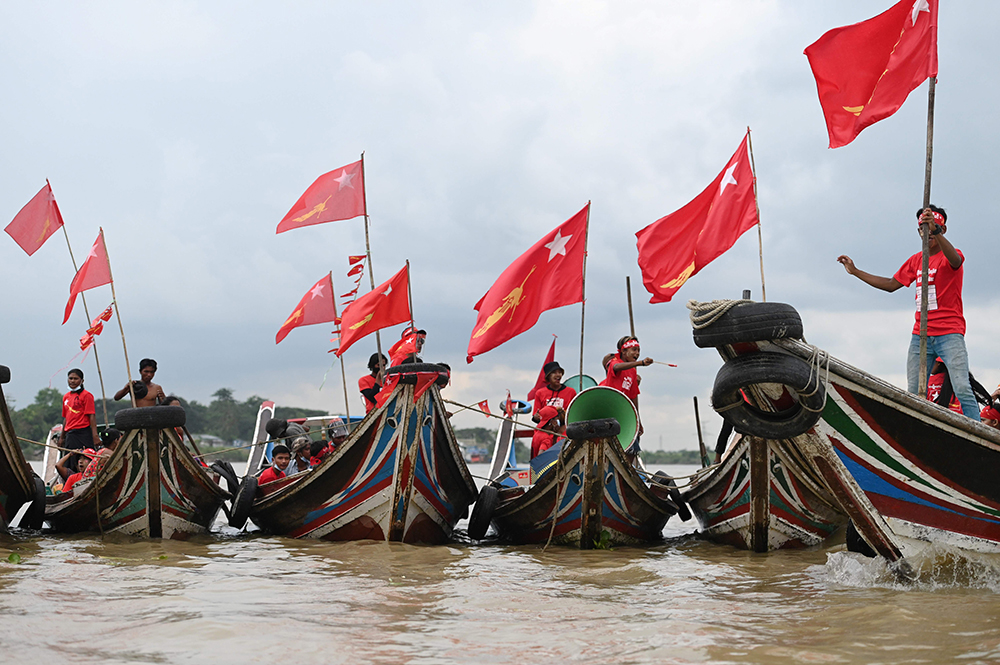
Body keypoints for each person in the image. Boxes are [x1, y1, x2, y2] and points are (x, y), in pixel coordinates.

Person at [838, 206, 980, 421]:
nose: (928, 233)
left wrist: (936, 230)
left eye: (934, 228)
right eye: (924, 229)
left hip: (949, 333)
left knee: (961, 386)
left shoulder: (952, 255)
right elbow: (890, 284)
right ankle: (916, 429)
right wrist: (855, 272)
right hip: (920, 335)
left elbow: (956, 262)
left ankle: (976, 432)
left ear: (943, 229)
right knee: (913, 392)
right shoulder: (916, 260)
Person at [600, 336, 653, 437]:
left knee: (632, 447)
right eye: (634, 350)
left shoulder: (633, 371)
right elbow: (616, 367)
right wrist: (640, 363)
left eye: (638, 350)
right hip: (610, 411)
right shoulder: (615, 363)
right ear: (624, 351)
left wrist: (637, 421)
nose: (637, 353)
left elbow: (633, 397)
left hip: (623, 413)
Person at [60, 368, 100, 451]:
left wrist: (95, 436)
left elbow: (91, 416)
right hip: (70, 434)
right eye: (70, 378)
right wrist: (62, 437)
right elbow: (66, 418)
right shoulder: (66, 397)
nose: (72, 381)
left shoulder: (87, 395)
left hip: (83, 433)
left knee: (86, 458)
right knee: (70, 459)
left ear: (82, 381)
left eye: (76, 379)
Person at [532, 361, 576, 430]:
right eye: (554, 372)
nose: (558, 375)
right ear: (548, 376)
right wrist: (536, 417)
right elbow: (536, 417)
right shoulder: (540, 393)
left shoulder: (571, 392)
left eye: (559, 372)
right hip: (547, 431)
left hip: (564, 432)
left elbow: (574, 414)